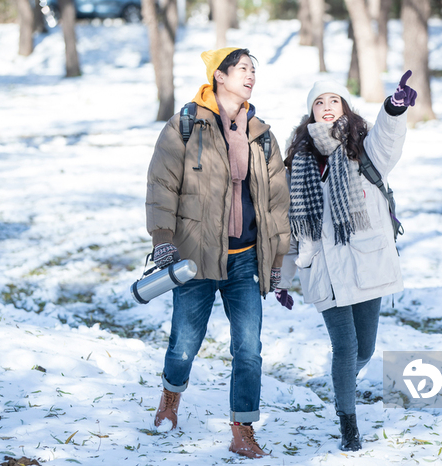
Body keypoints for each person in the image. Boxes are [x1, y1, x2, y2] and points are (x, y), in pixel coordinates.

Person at [145, 47, 291, 459]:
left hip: (245, 258)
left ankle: (242, 428)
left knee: (248, 348)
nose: (250, 76)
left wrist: (277, 258)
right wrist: (162, 239)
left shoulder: (261, 134)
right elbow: (161, 185)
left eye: (253, 70)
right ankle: (170, 400)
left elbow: (277, 203)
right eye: (243, 69)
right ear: (220, 77)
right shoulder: (185, 126)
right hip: (195, 256)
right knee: (184, 344)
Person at [276, 71, 417, 452]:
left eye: (332, 101)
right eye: (318, 103)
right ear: (310, 114)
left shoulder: (363, 149)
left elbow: (389, 139)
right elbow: (291, 228)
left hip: (366, 266)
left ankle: (343, 383)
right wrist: (282, 279)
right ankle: (348, 425)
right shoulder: (298, 164)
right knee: (346, 346)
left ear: (344, 107)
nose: (325, 108)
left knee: (365, 349)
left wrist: (394, 108)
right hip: (324, 272)